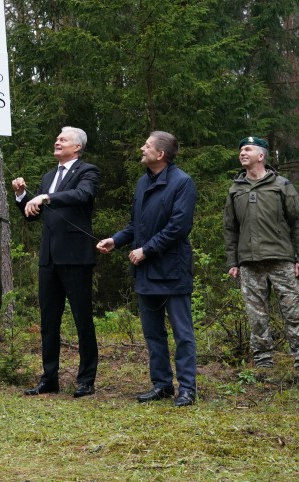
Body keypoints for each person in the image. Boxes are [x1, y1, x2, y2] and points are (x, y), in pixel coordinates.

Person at [97, 131, 198, 407]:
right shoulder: (143, 183)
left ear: (160, 154)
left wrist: (146, 250)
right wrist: (116, 240)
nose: (142, 148)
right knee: (153, 333)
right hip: (146, 273)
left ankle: (187, 389)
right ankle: (162, 385)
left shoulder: (182, 183)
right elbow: (136, 225)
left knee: (183, 334)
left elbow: (178, 227)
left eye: (147, 145)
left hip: (172, 271)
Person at [12, 126, 100, 398]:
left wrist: (46, 196)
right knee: (49, 321)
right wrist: (23, 197)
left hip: (75, 257)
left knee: (82, 320)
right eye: (57, 138)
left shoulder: (87, 171)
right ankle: (49, 378)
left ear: (77, 147)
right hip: (49, 258)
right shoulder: (49, 176)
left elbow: (82, 195)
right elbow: (33, 215)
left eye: (63, 139)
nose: (57, 141)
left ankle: (85, 380)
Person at [224, 136, 299, 371]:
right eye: (240, 149)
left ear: (261, 156)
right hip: (249, 263)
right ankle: (264, 363)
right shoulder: (236, 189)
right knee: (256, 317)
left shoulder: (281, 185)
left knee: (294, 313)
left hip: (282, 261)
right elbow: (230, 229)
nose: (242, 153)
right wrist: (233, 262)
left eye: (248, 149)